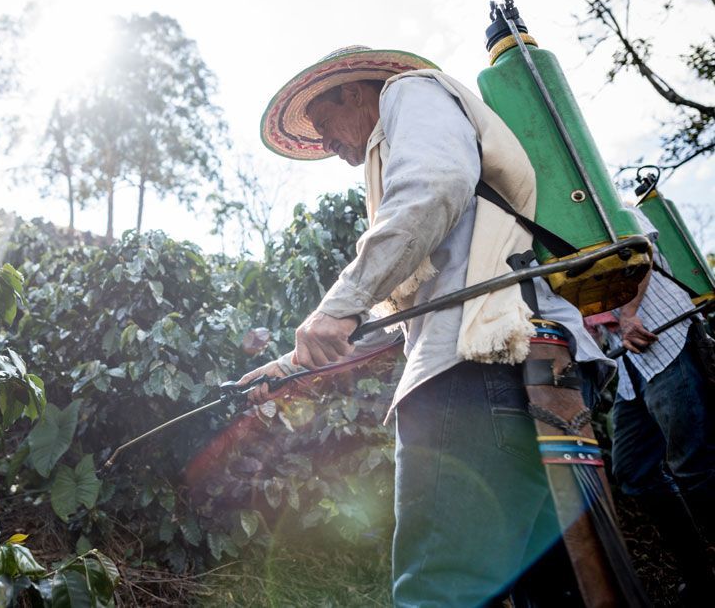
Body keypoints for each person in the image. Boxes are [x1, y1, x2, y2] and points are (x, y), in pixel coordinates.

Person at [242, 46, 616, 606]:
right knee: (552, 588)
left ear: (352, 89)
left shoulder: (409, 92)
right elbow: (406, 321)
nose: (331, 148)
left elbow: (435, 185)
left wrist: (337, 305)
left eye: (325, 126)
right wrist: (294, 363)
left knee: (441, 587)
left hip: (477, 369)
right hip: (533, 362)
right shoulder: (411, 135)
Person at [600, 208, 715, 603]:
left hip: (665, 340)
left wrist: (629, 314)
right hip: (630, 371)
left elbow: (641, 248)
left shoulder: (609, 204)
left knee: (693, 465)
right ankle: (700, 572)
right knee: (633, 471)